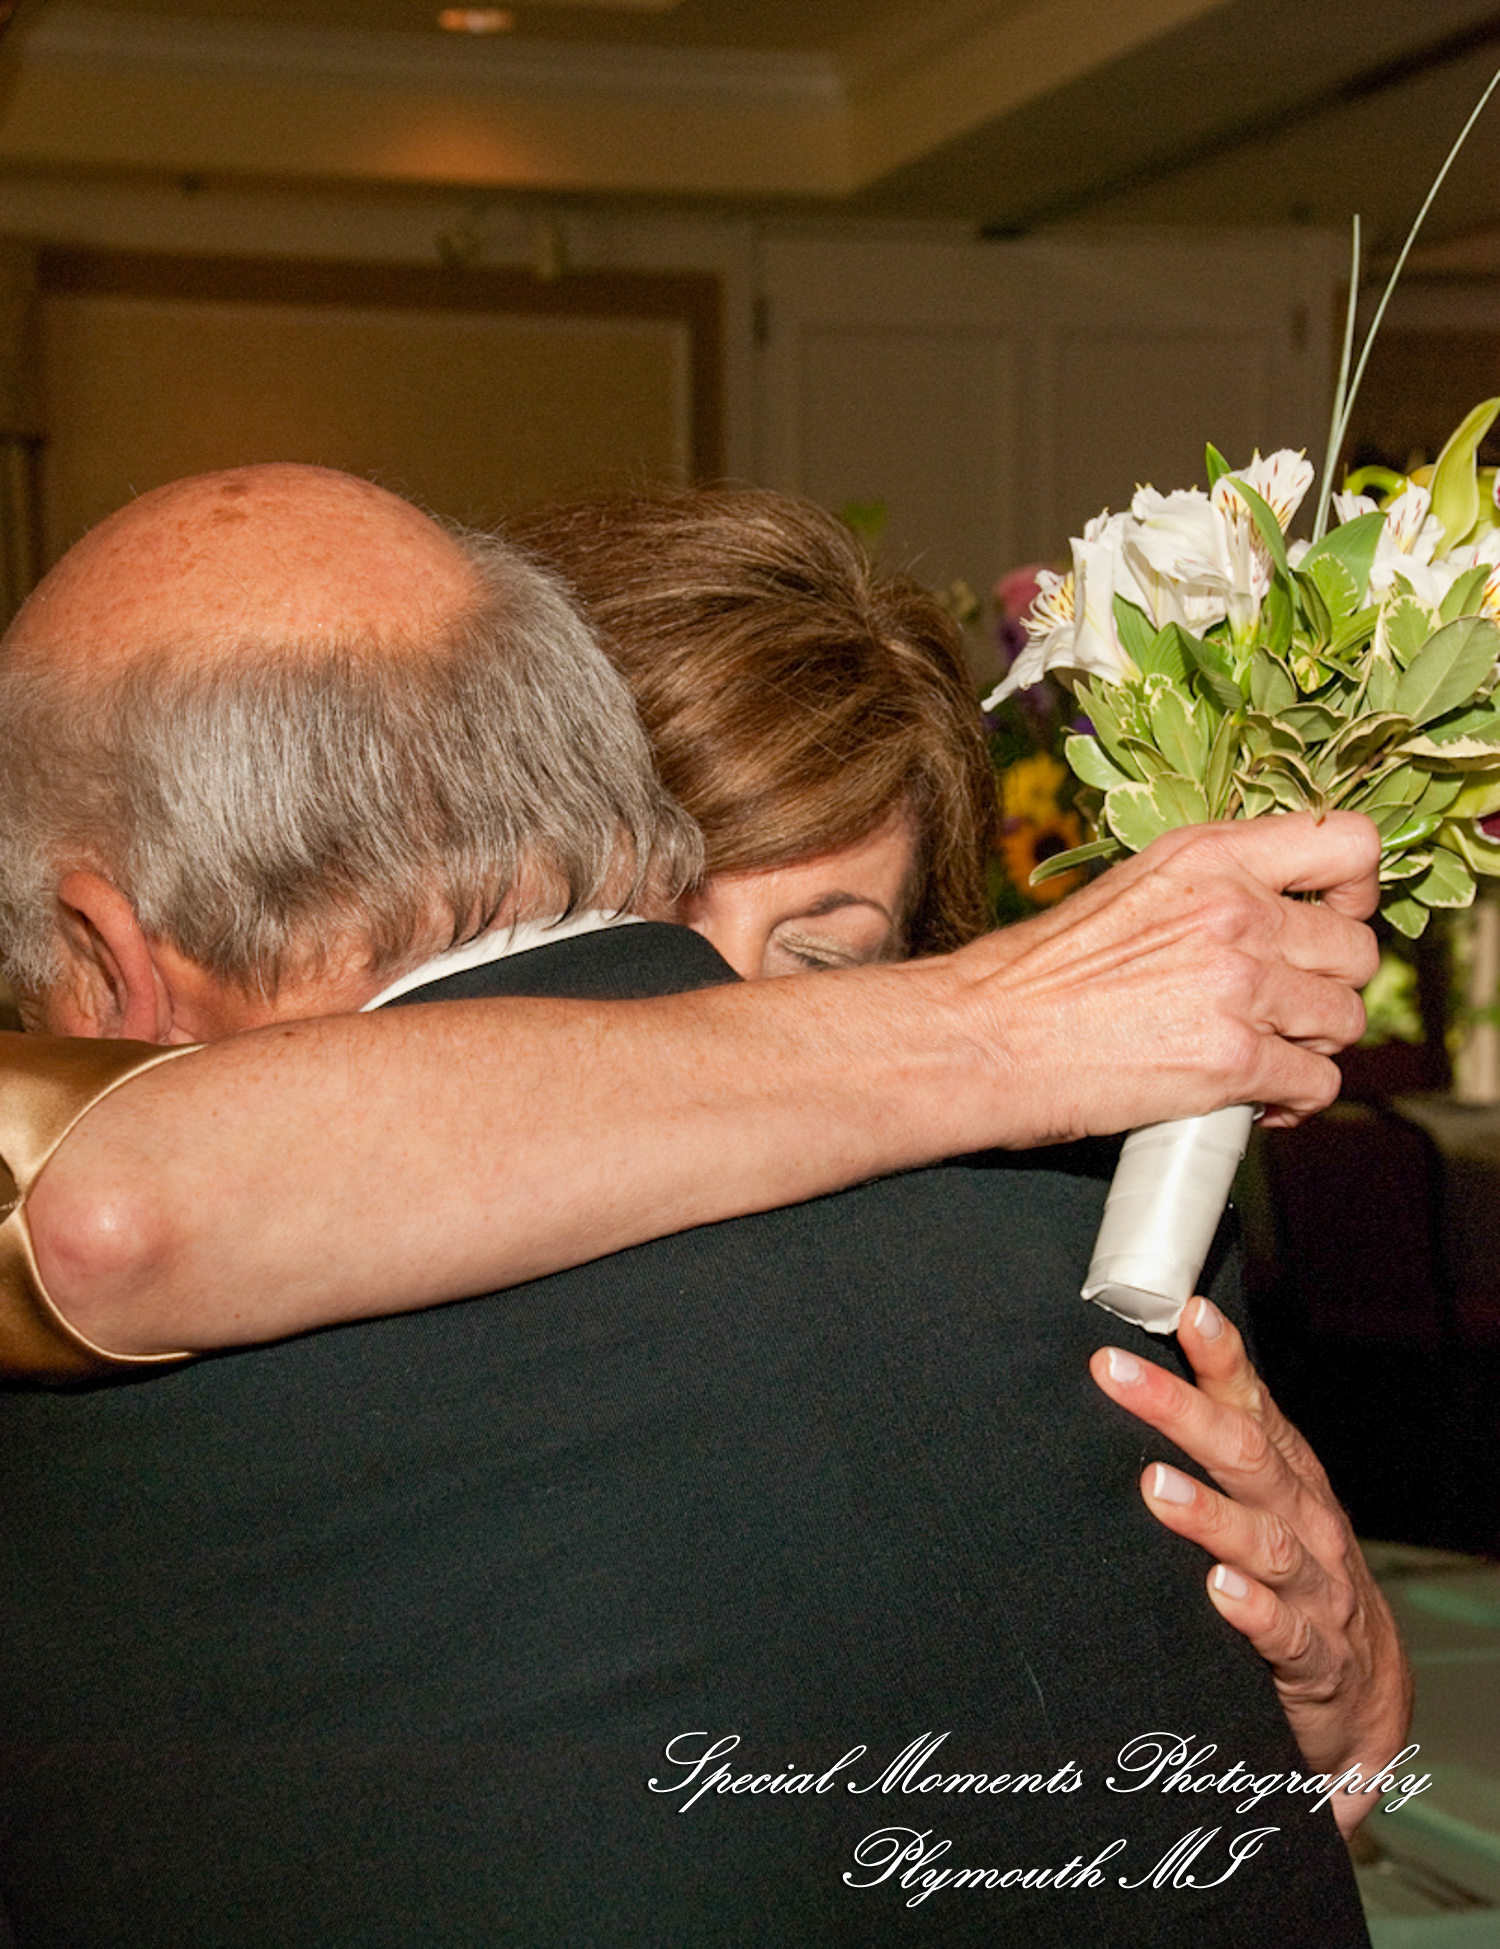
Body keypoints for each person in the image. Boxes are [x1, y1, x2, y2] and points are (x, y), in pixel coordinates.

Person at [0, 468, 1380, 1943]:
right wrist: (1013, 1020)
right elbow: (101, 1201)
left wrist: (1349, 1700)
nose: (713, 1022)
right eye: (661, 940)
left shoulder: (1103, 1275)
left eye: (824, 965)